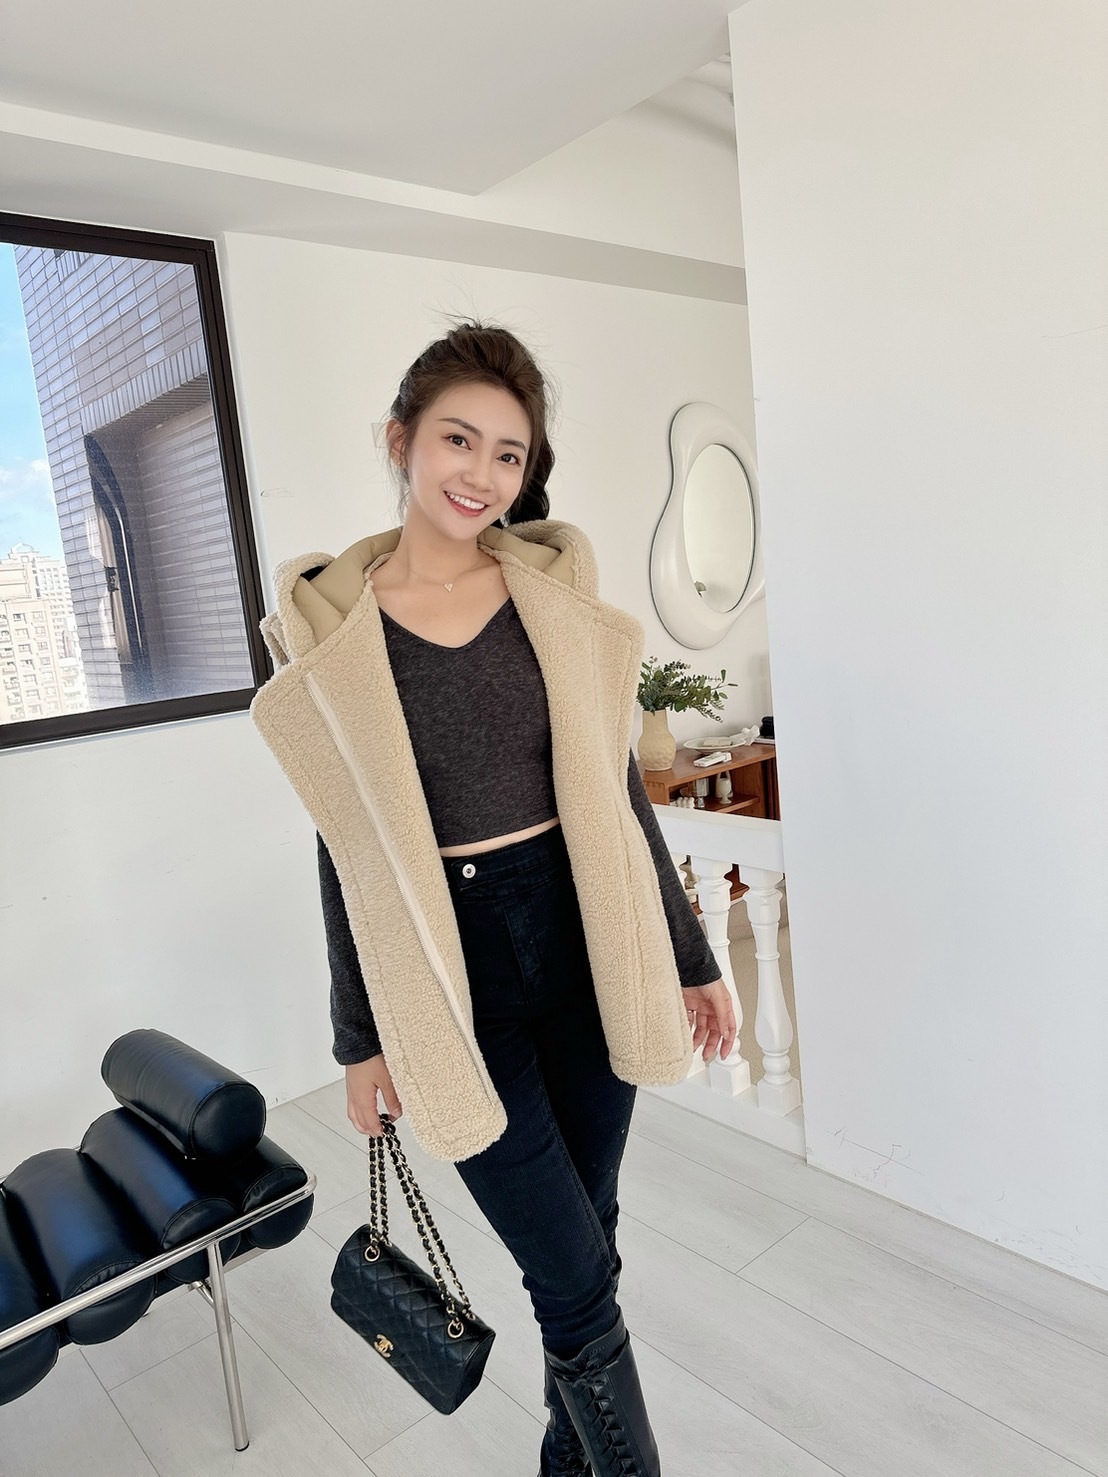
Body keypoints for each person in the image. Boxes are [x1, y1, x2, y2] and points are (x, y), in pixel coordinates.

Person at [251, 322, 737, 1477]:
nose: (480, 473)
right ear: (401, 441)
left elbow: (617, 795)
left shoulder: (550, 598)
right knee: (571, 1277)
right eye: (457, 439)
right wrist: (359, 1038)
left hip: (586, 937)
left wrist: (690, 956)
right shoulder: (332, 632)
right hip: (445, 966)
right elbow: (344, 844)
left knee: (587, 1245)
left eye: (508, 454)